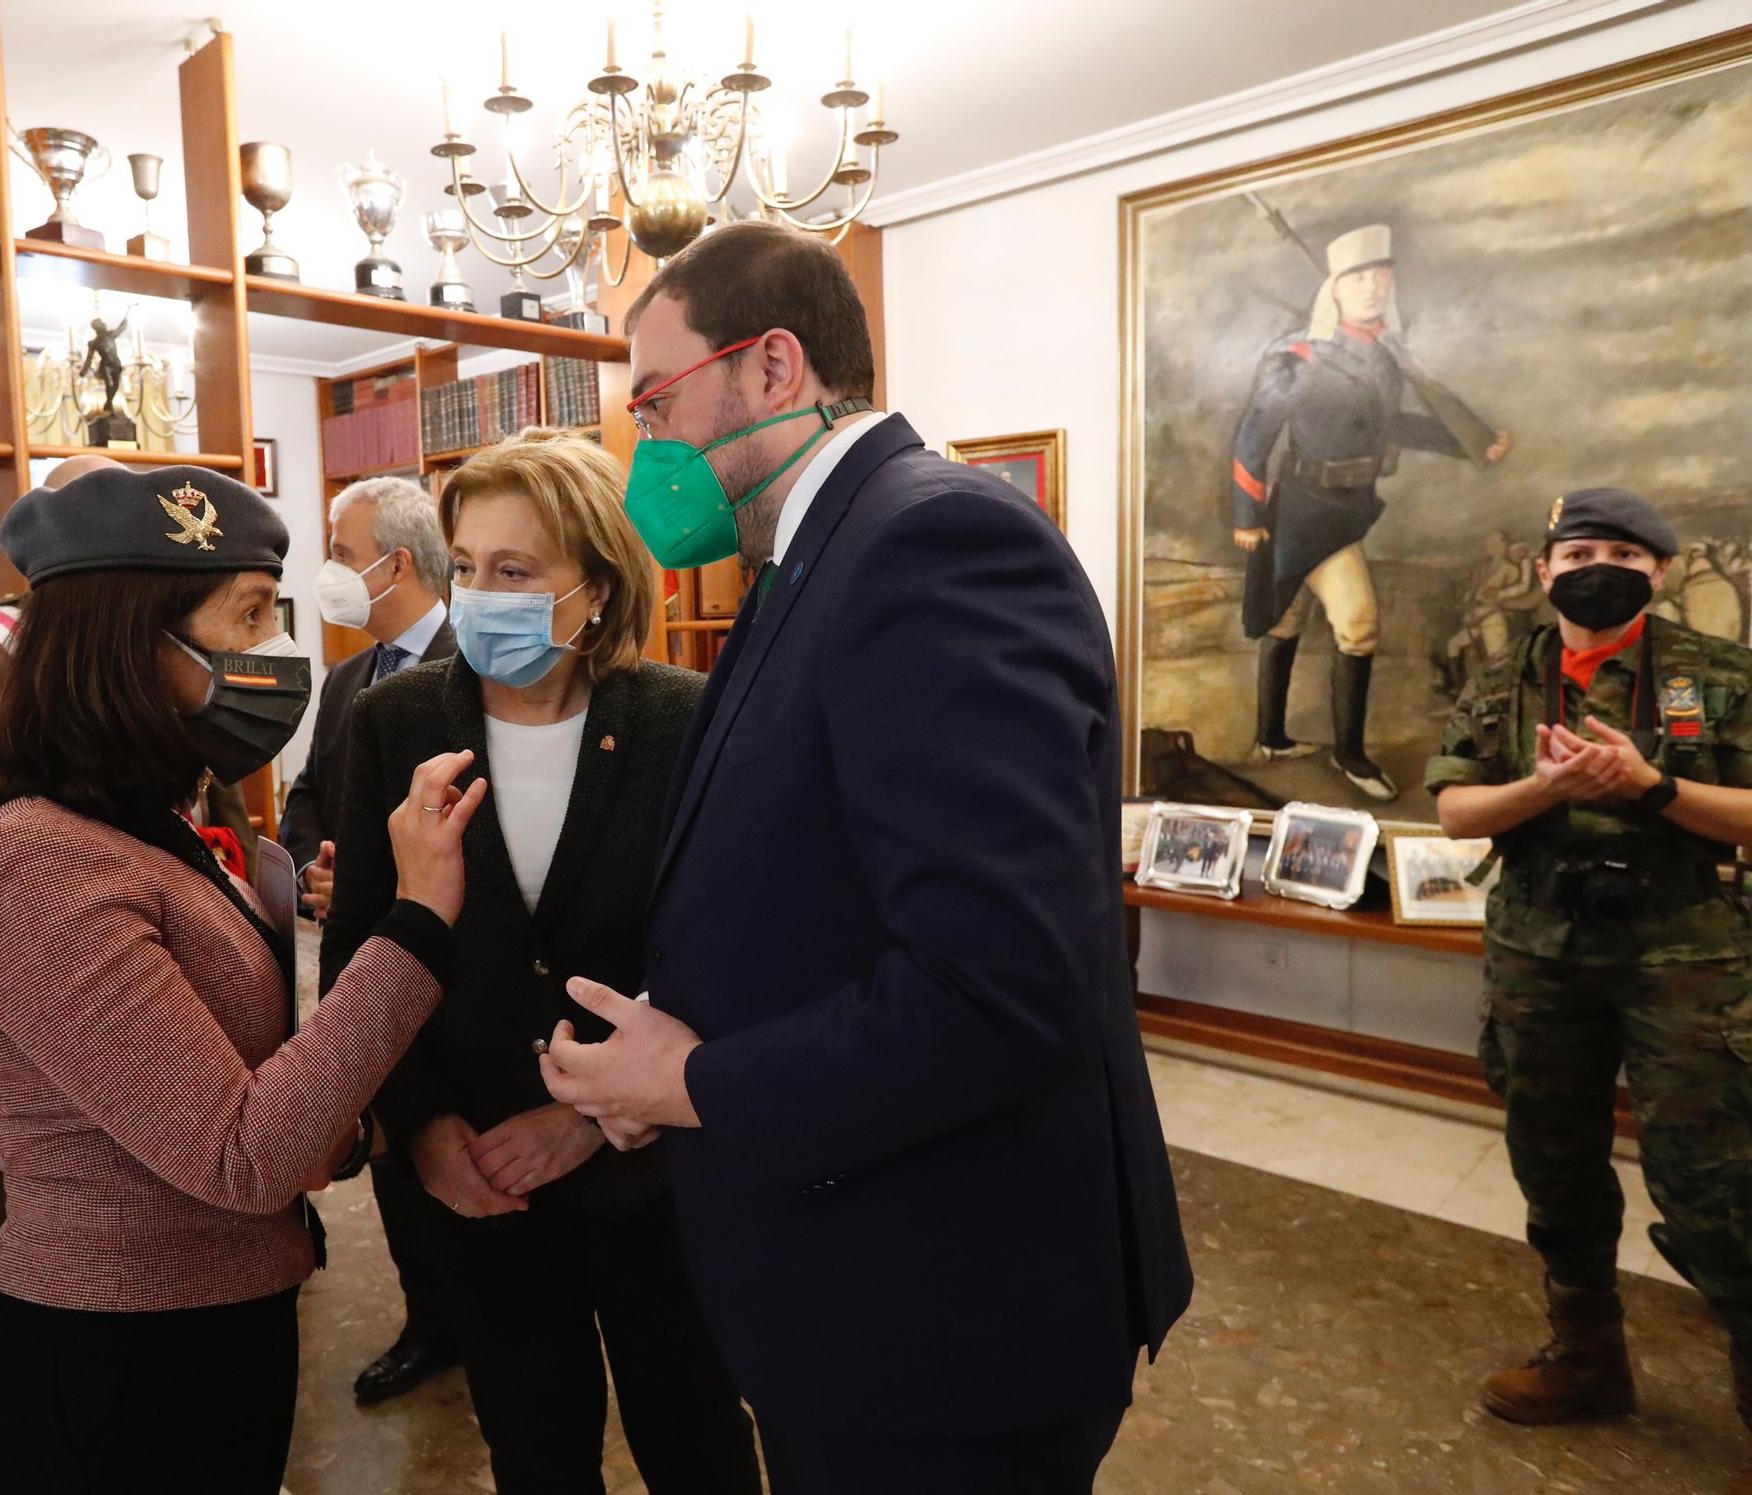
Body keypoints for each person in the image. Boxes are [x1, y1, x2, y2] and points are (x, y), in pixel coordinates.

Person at [538, 220, 1193, 1494]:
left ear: (773, 368)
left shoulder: (931, 545)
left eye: (658, 404)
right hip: (855, 1272)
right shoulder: (806, 563)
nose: (646, 453)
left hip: (944, 1314)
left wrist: (701, 1084)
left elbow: (999, 983)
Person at [0, 463, 483, 1495]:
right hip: (115, 1355)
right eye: (245, 619)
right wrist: (414, 922)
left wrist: (361, 1129)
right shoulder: (36, 863)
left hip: (219, 1320)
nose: (272, 654)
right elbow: (244, 1152)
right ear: (132, 644)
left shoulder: (159, 826)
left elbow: (255, 1087)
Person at [319, 429, 759, 1495]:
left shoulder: (684, 720)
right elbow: (361, 948)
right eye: (465, 567)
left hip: (650, 1169)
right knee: (532, 1447)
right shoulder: (393, 719)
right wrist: (422, 1129)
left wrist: (591, 1115)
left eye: (513, 572)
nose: (479, 597)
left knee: (695, 1435)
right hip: (474, 1179)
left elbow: (726, 945)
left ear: (597, 589)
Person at [1427, 486, 1752, 1491]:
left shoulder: (1722, 675)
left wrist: (1649, 787)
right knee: (1552, 1158)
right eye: (1574, 553)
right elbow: (1453, 810)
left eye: (1618, 551)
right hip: (1538, 950)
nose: (1592, 566)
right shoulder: (1496, 680)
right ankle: (1587, 1358)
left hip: (1684, 952)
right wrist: (1545, 789)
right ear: (1542, 570)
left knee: (1716, 1182)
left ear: (1656, 571)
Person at [278, 474, 461, 1405]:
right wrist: (315, 864)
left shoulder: (482, 659)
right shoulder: (350, 675)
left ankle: (488, 1317)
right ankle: (430, 1320)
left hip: (454, 959)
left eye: (344, 554)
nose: (333, 574)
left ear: (396, 561)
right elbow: (307, 794)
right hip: (363, 957)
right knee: (395, 1146)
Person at [1231, 223, 1511, 800]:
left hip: (1348, 510)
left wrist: (1469, 441)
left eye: (1381, 274)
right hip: (1303, 511)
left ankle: (1272, 739)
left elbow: (1393, 426)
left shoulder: (1383, 359)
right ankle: (1349, 755)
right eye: (1357, 276)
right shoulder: (1298, 357)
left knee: (1290, 620)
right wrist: (1246, 515)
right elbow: (1254, 436)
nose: (1372, 285)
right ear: (1334, 288)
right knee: (1352, 624)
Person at [0, 453, 253, 860]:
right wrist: (89, 771)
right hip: (63, 860)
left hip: (188, 857)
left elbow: (215, 767)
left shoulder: (168, 626)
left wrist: (250, 881)